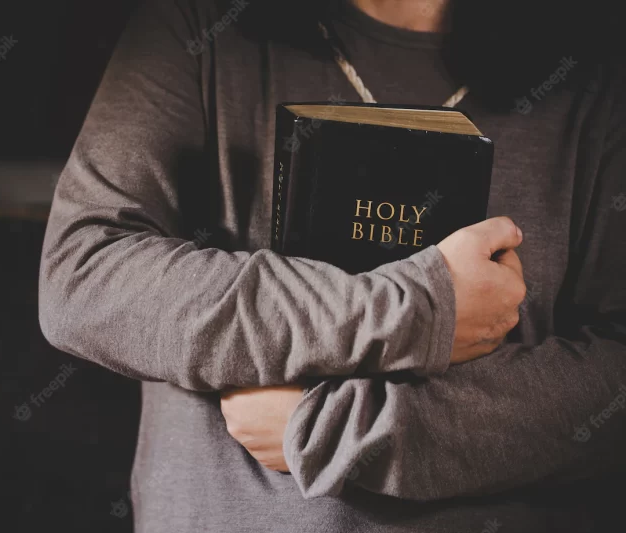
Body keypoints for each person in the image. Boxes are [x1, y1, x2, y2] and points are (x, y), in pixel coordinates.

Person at [38, 0, 625, 531]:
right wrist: (419, 307)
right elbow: (84, 276)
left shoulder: (600, 70)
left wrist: (341, 430)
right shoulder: (201, 24)